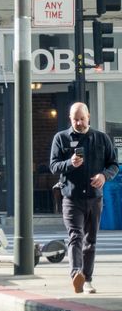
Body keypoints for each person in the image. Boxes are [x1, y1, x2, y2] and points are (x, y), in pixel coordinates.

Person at [45, 102, 111, 294]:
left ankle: (87, 278)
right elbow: (54, 166)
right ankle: (76, 275)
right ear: (70, 119)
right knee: (76, 236)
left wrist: (104, 176)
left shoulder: (101, 138)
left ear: (89, 117)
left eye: (82, 119)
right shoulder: (61, 138)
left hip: (94, 197)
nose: (79, 123)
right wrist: (70, 163)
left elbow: (113, 163)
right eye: (76, 119)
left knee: (91, 240)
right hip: (71, 197)